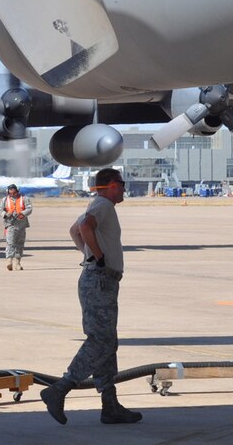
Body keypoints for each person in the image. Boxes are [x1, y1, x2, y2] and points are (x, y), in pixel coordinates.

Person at [40, 168, 142, 426]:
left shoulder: (97, 204)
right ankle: (60, 389)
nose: (124, 188)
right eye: (121, 183)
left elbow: (75, 231)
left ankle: (110, 405)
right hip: (100, 280)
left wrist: (89, 254)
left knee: (107, 342)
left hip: (99, 280)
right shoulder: (104, 205)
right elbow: (84, 227)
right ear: (109, 185)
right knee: (101, 341)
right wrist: (97, 257)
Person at [0, 184, 32, 271]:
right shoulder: (5, 200)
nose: (12, 195)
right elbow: (0, 210)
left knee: (20, 244)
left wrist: (22, 214)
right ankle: (9, 261)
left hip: (21, 224)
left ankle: (17, 262)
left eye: (14, 193)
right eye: (10, 193)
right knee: (10, 243)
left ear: (17, 191)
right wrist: (5, 215)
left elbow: (29, 208)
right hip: (10, 224)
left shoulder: (24, 199)